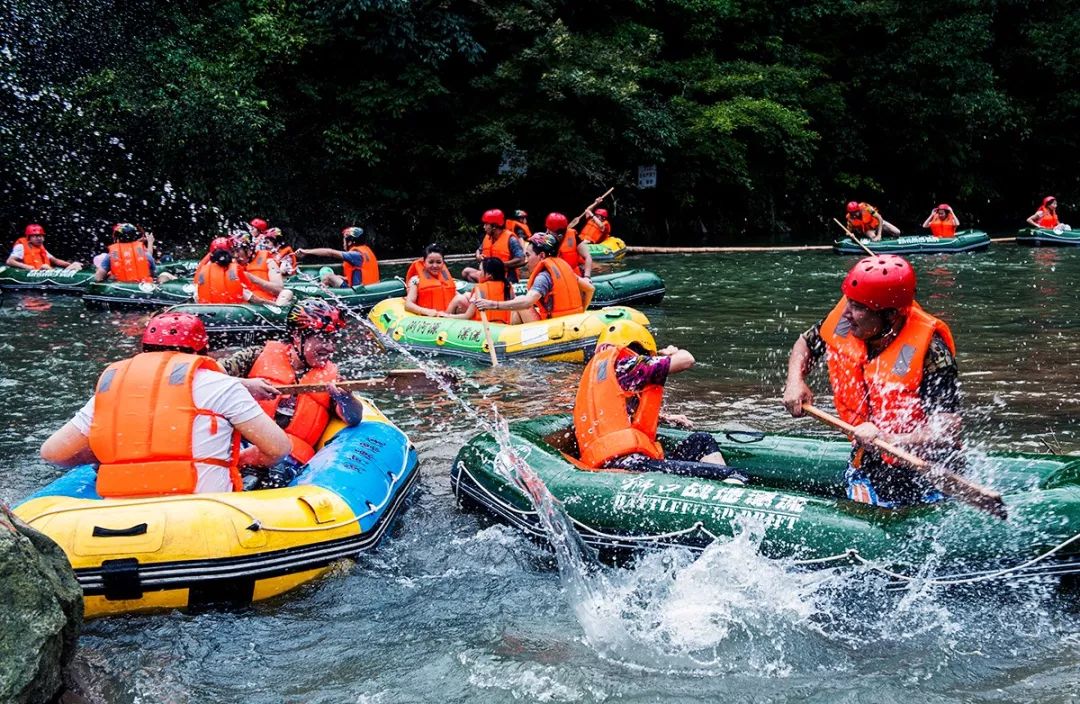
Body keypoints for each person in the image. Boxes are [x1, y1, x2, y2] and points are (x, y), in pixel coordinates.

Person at [39, 312, 291, 497]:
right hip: (203, 513)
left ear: (145, 349)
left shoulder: (112, 386)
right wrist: (242, 459)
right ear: (202, 350)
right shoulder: (222, 386)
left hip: (120, 514)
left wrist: (113, 454)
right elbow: (278, 448)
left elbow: (53, 452)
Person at [782, 255, 962, 509]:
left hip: (923, 468)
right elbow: (806, 344)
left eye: (858, 307)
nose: (846, 312)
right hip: (869, 457)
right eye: (849, 302)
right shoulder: (845, 322)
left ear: (891, 315)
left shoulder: (931, 351)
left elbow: (948, 427)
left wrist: (890, 439)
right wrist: (795, 381)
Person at [218, 300, 365, 486]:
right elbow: (206, 379)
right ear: (297, 335)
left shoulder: (334, 378)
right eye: (322, 339)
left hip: (290, 459)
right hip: (243, 444)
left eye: (332, 340)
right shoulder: (254, 356)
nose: (330, 348)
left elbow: (354, 418)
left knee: (271, 477)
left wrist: (346, 399)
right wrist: (245, 384)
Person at [573, 340, 744, 480]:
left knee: (702, 440)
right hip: (628, 466)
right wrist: (671, 353)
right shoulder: (630, 366)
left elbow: (616, 414)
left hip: (622, 460)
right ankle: (723, 489)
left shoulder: (604, 374)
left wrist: (664, 418)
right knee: (734, 474)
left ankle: (709, 488)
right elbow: (687, 359)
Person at [474, 233, 593, 324]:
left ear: (541, 256)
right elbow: (590, 289)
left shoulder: (543, 277)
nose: (526, 260)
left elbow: (527, 303)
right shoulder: (566, 269)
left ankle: (509, 340)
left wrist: (492, 304)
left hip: (554, 329)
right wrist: (581, 310)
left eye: (528, 255)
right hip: (574, 323)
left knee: (520, 300)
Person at [296, 227, 379, 288]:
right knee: (337, 277)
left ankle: (319, 298)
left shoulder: (355, 255)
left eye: (344, 240)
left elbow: (330, 253)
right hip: (369, 288)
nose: (343, 242)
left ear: (350, 242)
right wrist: (345, 278)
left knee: (328, 276)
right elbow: (361, 275)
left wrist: (306, 251)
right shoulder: (366, 251)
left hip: (358, 292)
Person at [462, 209, 525, 284]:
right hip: (488, 275)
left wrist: (501, 265)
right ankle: (480, 287)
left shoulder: (511, 239)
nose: (484, 227)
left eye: (486, 224)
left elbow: (521, 259)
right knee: (466, 272)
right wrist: (478, 256)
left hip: (505, 277)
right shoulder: (488, 237)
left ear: (494, 226)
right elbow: (479, 250)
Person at [444, 257, 513, 323]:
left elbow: (467, 316)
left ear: (489, 275)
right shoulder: (508, 286)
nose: (477, 273)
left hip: (485, 328)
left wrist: (446, 316)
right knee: (465, 295)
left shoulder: (480, 290)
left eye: (480, 271)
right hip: (505, 327)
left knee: (458, 298)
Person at [232, 233, 295, 306]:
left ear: (248, 251)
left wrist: (253, 279)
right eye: (233, 251)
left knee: (287, 292)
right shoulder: (233, 266)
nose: (235, 255)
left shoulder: (269, 261)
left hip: (267, 304)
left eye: (237, 251)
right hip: (244, 305)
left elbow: (279, 289)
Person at [405, 244, 458, 317]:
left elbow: (456, 296)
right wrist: (426, 311)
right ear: (424, 262)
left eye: (438, 262)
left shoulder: (447, 279)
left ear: (443, 263)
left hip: (447, 315)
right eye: (431, 262)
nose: (435, 266)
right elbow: (408, 305)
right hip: (429, 319)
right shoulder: (416, 280)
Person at [7, 224, 81, 271]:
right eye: (36, 236)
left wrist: (69, 265)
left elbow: (55, 261)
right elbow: (10, 261)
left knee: (76, 265)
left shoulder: (41, 248)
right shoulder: (21, 246)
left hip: (43, 271)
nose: (40, 238)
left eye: (41, 236)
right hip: (31, 272)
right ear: (29, 237)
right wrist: (27, 267)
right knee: (45, 266)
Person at [546, 212, 592, 278]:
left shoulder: (573, 235)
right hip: (556, 277)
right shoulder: (545, 240)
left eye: (562, 231)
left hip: (574, 276)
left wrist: (587, 276)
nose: (548, 231)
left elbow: (587, 256)